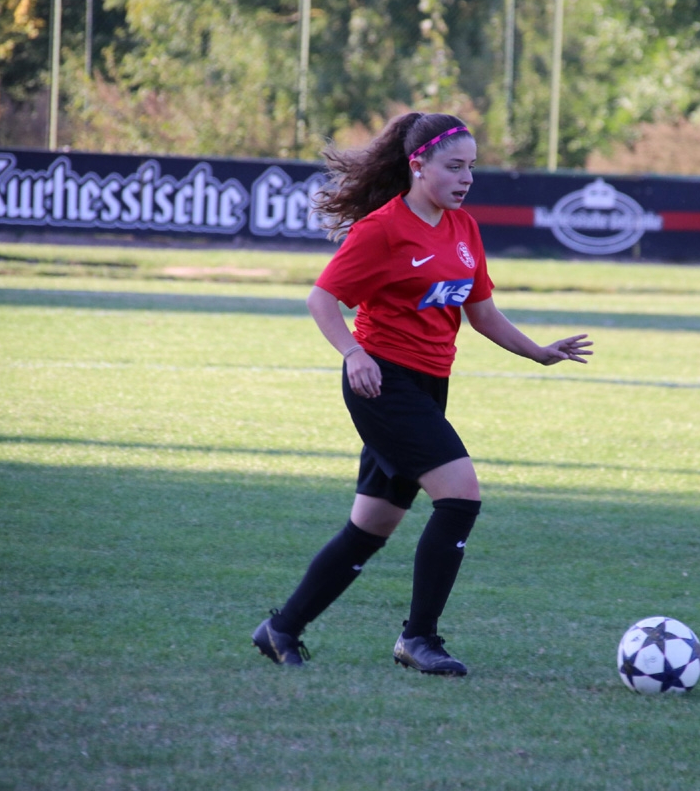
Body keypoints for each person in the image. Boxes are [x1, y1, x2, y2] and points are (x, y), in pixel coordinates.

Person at [252, 112, 592, 676]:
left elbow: (482, 314)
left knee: (370, 528)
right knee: (460, 496)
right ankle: (419, 639)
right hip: (381, 383)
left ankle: (280, 629)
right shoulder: (383, 229)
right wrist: (353, 353)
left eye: (472, 167)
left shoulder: (464, 229)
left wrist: (538, 351)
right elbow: (321, 299)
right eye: (454, 167)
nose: (466, 178)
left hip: (430, 384)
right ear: (418, 165)